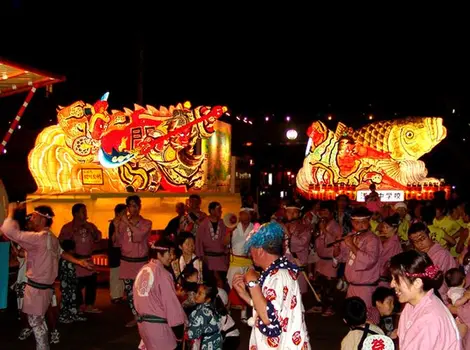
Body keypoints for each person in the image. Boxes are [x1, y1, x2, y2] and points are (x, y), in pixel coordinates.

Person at [0, 203, 93, 350]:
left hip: (37, 288)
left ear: (43, 219)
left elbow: (9, 231)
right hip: (45, 288)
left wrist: (10, 212)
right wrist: (79, 261)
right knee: (39, 321)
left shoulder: (38, 238)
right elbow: (61, 253)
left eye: (34, 217)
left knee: (36, 323)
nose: (30, 219)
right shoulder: (51, 237)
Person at [232, 221, 311, 349]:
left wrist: (253, 283)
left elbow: (269, 318)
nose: (250, 254)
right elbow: (273, 307)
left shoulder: (278, 275)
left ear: (260, 250)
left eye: (251, 249)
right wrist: (245, 296)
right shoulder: (278, 272)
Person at [390, 250, 461, 349]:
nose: (392, 284)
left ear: (417, 283)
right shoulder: (413, 304)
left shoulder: (429, 318)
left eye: (396, 279)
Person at [133, 239, 186, 350]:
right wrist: (180, 334)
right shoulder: (163, 274)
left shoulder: (143, 270)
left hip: (143, 326)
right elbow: (171, 307)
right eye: (169, 253)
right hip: (159, 329)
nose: (172, 257)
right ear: (159, 254)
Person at [333, 206, 383, 309]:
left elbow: (370, 260)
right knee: (353, 317)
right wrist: (337, 248)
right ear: (352, 222)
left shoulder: (372, 239)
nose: (360, 225)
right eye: (356, 222)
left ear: (369, 221)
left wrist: (351, 245)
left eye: (363, 222)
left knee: (366, 317)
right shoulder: (352, 236)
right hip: (351, 286)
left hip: (366, 288)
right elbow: (342, 257)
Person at [116, 195, 152, 327]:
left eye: (136, 205)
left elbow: (138, 237)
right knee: (130, 293)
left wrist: (127, 222)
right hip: (126, 262)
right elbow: (117, 242)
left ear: (140, 206)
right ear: (128, 208)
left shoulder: (146, 223)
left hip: (141, 262)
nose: (134, 208)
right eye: (131, 206)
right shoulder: (122, 223)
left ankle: (146, 315)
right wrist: (116, 227)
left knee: (143, 291)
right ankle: (136, 317)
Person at [59, 203, 102, 314]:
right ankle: (78, 306)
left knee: (91, 283)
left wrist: (91, 230)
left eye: (85, 211)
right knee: (76, 285)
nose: (85, 214)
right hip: (75, 260)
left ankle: (89, 305)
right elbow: (61, 243)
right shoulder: (68, 227)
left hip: (88, 259)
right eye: (83, 211)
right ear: (76, 213)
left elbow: (98, 237)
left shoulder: (90, 226)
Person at [408, 221, 458, 302]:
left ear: (430, 236)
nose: (420, 243)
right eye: (415, 241)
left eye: (422, 238)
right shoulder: (417, 254)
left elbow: (437, 282)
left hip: (441, 296)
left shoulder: (441, 254)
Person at [310, 200, 341, 316]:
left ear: (331, 213)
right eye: (321, 212)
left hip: (329, 260)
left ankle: (330, 307)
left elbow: (335, 242)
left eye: (325, 212)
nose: (323, 214)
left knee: (329, 286)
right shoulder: (320, 224)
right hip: (320, 259)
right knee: (319, 285)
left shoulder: (336, 226)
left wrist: (324, 230)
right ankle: (319, 305)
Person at [226, 207, 254, 322]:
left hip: (248, 261)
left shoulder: (254, 227)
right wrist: (230, 232)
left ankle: (244, 313)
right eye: (243, 214)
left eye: (248, 214)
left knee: (248, 286)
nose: (246, 216)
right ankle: (227, 311)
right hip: (236, 261)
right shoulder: (233, 226)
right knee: (232, 285)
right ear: (240, 215)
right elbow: (224, 243)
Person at [196, 201, 229, 285]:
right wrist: (201, 257)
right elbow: (198, 242)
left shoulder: (223, 224)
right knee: (210, 285)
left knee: (223, 283)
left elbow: (226, 241)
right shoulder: (203, 224)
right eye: (218, 209)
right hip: (208, 260)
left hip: (221, 260)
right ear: (212, 210)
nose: (221, 211)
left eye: (221, 209)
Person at [58, 240, 87, 324]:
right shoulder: (67, 260)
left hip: (69, 284)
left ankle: (72, 314)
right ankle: (63, 315)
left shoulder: (67, 259)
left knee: (72, 299)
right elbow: (69, 274)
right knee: (66, 299)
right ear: (71, 249)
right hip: (67, 284)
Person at [187, 283, 223, 350]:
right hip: (216, 340)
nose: (196, 295)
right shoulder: (213, 306)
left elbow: (192, 334)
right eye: (197, 292)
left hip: (207, 343)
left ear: (208, 299)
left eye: (200, 294)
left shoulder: (202, 312)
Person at [377, 214, 403, 287]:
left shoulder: (392, 243)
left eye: (387, 227)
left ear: (395, 229)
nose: (384, 230)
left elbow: (384, 261)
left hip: (385, 278)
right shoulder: (390, 241)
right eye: (383, 227)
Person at [109, 203, 126, 304]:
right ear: (118, 213)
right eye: (124, 213)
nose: (126, 215)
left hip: (122, 252)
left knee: (122, 274)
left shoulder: (123, 223)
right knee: (115, 274)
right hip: (115, 252)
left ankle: (120, 294)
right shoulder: (114, 224)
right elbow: (113, 240)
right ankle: (115, 295)